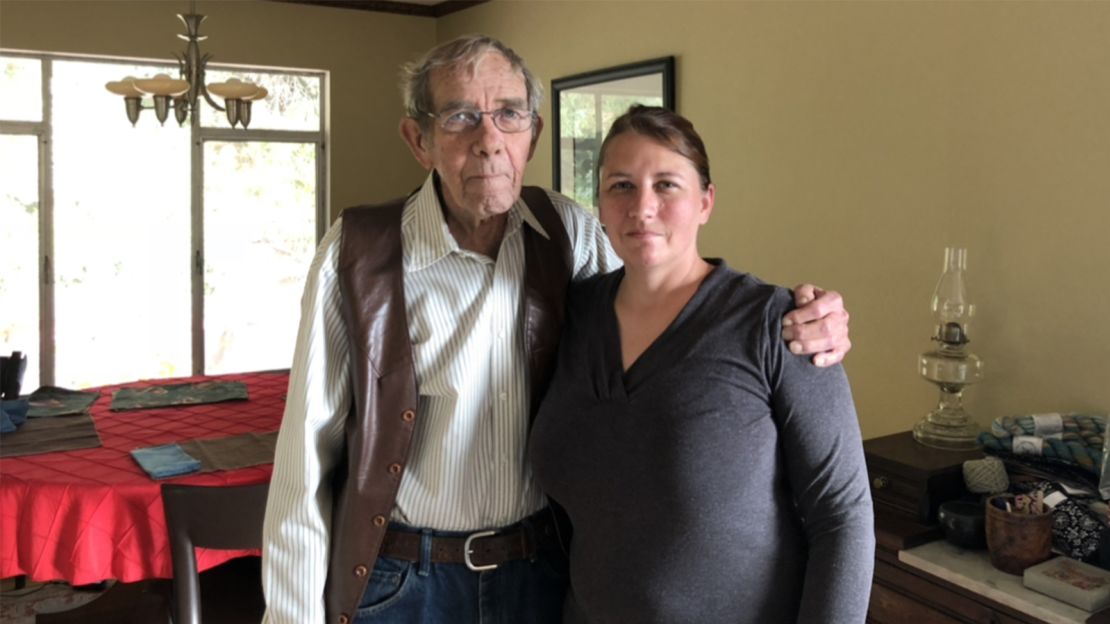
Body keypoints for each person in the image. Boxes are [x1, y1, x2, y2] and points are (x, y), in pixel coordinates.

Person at [261, 36, 853, 624]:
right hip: (403, 582)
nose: (489, 141)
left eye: (509, 115)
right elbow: (305, 455)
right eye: (461, 116)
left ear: (533, 134)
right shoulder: (359, 250)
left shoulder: (569, 233)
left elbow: (668, 286)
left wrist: (801, 317)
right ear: (419, 140)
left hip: (541, 576)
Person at [528, 105, 875, 624]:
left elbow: (843, 517)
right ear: (599, 203)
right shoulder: (572, 315)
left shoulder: (780, 324)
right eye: (621, 186)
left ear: (705, 202)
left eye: (666, 185)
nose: (642, 207)